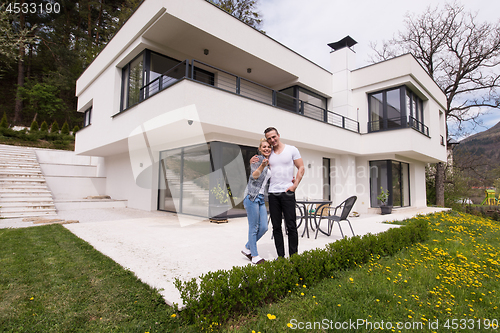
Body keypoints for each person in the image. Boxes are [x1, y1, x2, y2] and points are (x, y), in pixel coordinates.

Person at [251, 127, 305, 258]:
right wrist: (252, 159)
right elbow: (258, 160)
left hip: (287, 192)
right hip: (273, 194)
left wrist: (295, 185)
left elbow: (301, 167)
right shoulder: (268, 154)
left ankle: (294, 257)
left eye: (273, 137)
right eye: (269, 138)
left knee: (291, 226)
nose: (272, 140)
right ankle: (280, 257)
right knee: (276, 227)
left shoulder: (292, 149)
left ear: (278, 135)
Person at [241, 138, 272, 264]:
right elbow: (254, 176)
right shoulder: (257, 159)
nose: (266, 149)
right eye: (264, 146)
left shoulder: (270, 161)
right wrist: (262, 165)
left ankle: (247, 247)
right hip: (251, 196)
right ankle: (254, 255)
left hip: (260, 198)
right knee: (253, 227)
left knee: (264, 227)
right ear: (260, 149)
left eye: (268, 147)